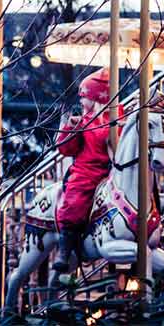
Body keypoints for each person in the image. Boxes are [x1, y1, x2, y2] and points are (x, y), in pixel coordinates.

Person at [53, 67, 120, 273]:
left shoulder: (116, 118)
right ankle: (65, 247)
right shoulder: (82, 121)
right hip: (86, 171)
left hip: (109, 171)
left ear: (96, 98)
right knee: (75, 201)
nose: (81, 101)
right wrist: (68, 128)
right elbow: (66, 149)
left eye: (84, 97)